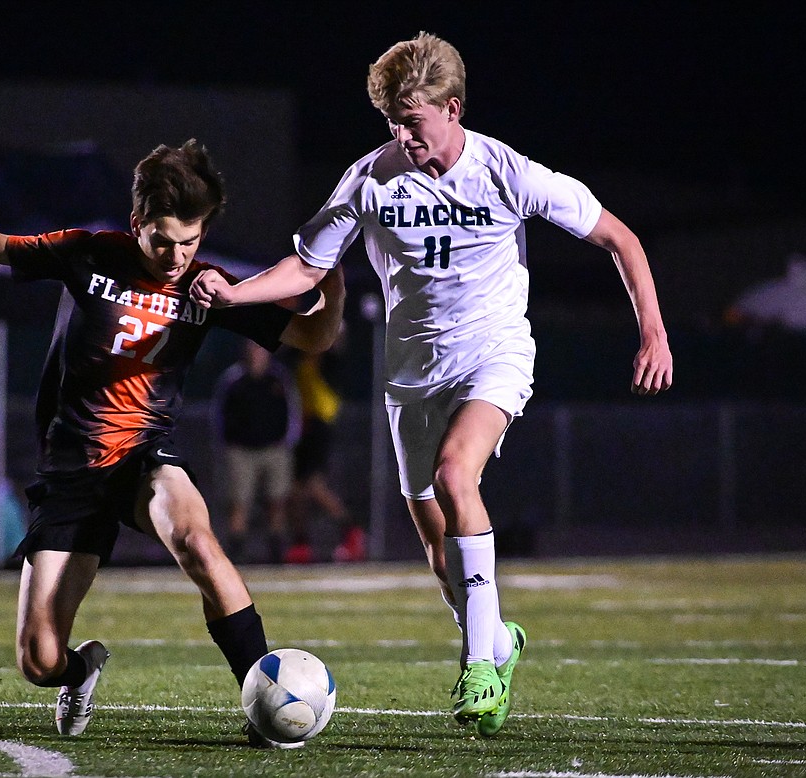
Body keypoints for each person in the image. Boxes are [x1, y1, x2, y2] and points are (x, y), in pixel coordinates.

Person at [190, 32, 673, 738]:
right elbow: (305, 266)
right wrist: (236, 295)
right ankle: (497, 638)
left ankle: (480, 661)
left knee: (456, 473)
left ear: (451, 109)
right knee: (439, 548)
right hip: (412, 378)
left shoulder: (509, 172)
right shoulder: (371, 178)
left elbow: (620, 239)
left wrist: (653, 333)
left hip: (494, 356)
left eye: (412, 123)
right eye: (391, 124)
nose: (403, 138)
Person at [0, 138, 345, 746]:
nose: (176, 257)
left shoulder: (207, 287)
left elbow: (313, 337)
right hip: (70, 474)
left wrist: (334, 287)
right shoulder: (89, 255)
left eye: (190, 242)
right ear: (137, 223)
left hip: (144, 455)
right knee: (39, 661)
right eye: (163, 241)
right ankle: (81, 667)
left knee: (197, 540)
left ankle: (261, 701)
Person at [211, 339, 300, 564]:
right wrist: (228, 444)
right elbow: (220, 416)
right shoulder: (233, 379)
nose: (257, 354)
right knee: (240, 502)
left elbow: (293, 412)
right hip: (242, 452)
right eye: (252, 349)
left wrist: (287, 441)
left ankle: (276, 551)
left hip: (274, 449)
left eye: (260, 349)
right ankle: (237, 552)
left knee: (277, 500)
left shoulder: (279, 378)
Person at [288, 345, 363, 563]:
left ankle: (351, 530)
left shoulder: (330, 364)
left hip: (319, 427)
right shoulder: (300, 360)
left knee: (313, 487)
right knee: (296, 491)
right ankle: (301, 542)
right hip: (305, 427)